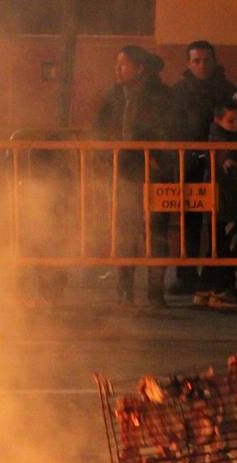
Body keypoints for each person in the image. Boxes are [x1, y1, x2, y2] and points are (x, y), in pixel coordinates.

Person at [96, 45, 177, 308]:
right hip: (124, 173)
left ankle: (155, 292)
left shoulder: (162, 97)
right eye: (117, 64)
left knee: (156, 232)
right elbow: (99, 130)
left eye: (123, 65)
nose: (117, 70)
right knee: (126, 232)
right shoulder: (114, 96)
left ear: (140, 68)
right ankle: (125, 290)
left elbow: (168, 132)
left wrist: (154, 154)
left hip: (155, 174)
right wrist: (108, 157)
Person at [171, 40, 237, 297]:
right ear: (188, 63)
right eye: (196, 60)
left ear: (214, 61)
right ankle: (186, 276)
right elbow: (171, 129)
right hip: (188, 163)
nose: (201, 65)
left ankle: (213, 277)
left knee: (218, 223)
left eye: (206, 60)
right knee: (188, 221)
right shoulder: (177, 93)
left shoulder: (227, 92)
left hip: (219, 166)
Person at [193, 99, 237, 310]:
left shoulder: (225, 136)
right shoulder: (220, 139)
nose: (236, 126)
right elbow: (221, 153)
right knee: (228, 247)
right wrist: (228, 161)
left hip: (223, 201)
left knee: (217, 246)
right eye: (231, 121)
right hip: (225, 202)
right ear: (218, 120)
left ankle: (205, 288)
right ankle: (222, 290)